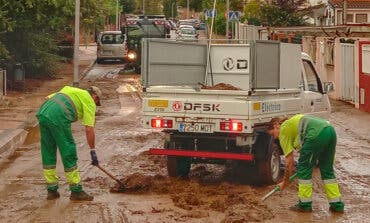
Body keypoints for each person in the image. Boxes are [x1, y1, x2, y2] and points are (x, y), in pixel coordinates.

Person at [267, 114, 344, 213]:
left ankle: (305, 205)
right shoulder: (293, 124)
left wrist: (285, 182)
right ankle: (337, 205)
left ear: (276, 125)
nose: (275, 137)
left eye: (273, 134)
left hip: (316, 135)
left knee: (303, 169)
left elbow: (289, 163)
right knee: (327, 170)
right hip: (330, 131)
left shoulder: (283, 129)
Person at [36, 85, 102, 201]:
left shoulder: (70, 89)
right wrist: (93, 150)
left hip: (43, 112)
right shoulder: (89, 100)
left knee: (48, 151)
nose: (95, 105)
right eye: (97, 102)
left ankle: (51, 190)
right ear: (95, 97)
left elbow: (48, 98)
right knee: (68, 150)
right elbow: (89, 128)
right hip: (58, 117)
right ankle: (76, 190)